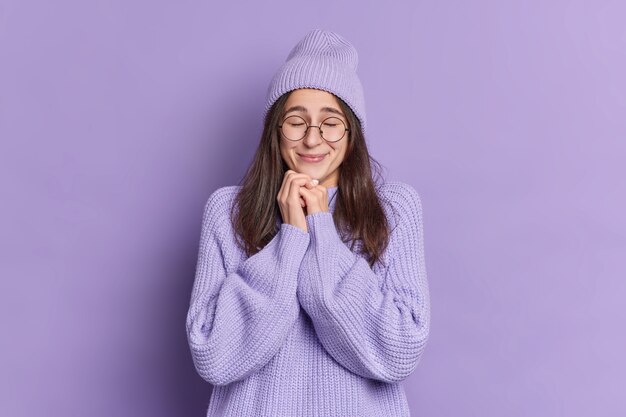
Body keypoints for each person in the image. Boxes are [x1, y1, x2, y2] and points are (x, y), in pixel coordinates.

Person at [186, 28, 431, 417]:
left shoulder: (394, 209)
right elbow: (215, 355)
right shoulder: (228, 211)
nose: (313, 140)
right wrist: (291, 237)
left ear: (352, 134)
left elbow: (397, 350)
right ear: (276, 131)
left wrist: (321, 227)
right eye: (296, 121)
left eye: (330, 122)